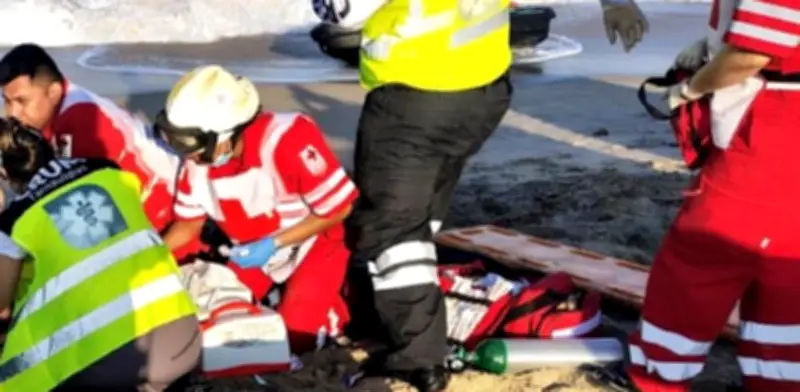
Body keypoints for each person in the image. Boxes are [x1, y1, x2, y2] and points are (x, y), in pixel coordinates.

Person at [625, 0, 800, 391]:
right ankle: (780, 379)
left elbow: (753, 52)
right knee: (785, 265)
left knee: (700, 255)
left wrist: (690, 88)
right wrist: (710, 45)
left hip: (774, 124)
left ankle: (658, 375)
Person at [157, 65, 359, 354]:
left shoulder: (287, 140)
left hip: (314, 241)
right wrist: (151, 256)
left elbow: (339, 209)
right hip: (251, 251)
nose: (183, 152)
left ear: (223, 135)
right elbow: (188, 225)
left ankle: (338, 309)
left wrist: (274, 243)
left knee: (293, 337)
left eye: (187, 141)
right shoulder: (198, 164)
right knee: (218, 316)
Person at [0, 117, 200, 391]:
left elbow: (1, 302)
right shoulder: (109, 172)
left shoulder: (16, 220)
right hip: (184, 338)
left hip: (112, 364)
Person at [0, 43, 203, 262]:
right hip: (148, 220)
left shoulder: (80, 122)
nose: (13, 113)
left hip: (168, 233)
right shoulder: (63, 110)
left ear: (54, 92)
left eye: (22, 101)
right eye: (7, 101)